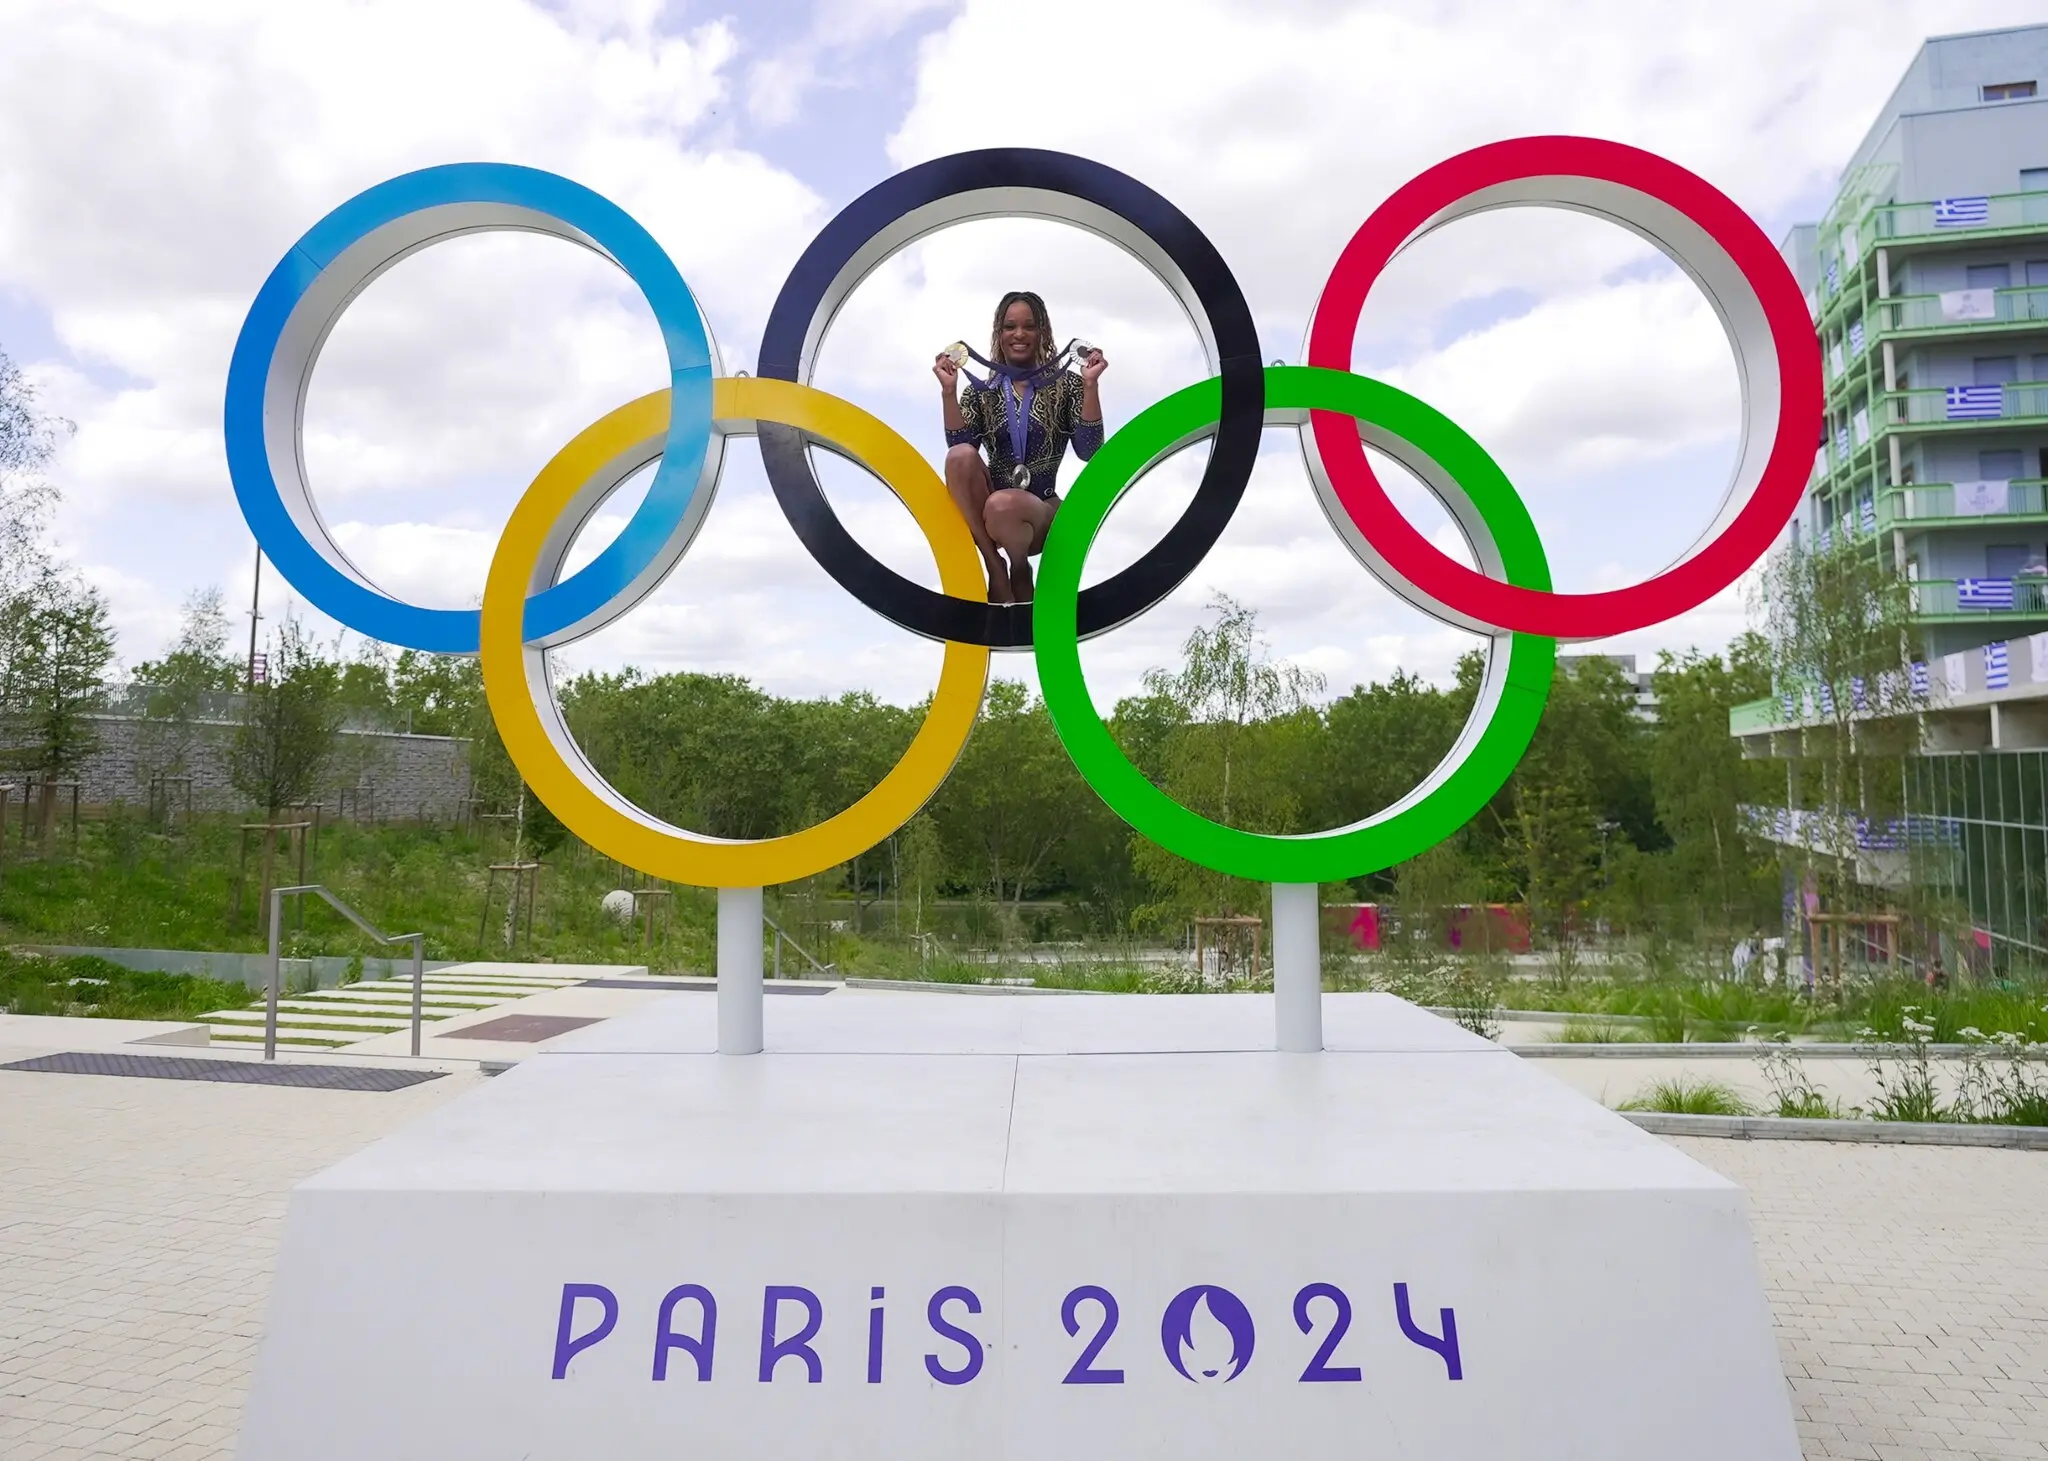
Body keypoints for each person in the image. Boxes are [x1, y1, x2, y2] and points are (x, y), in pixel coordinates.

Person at [934, 291, 1106, 603]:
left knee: (1004, 504)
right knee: (960, 458)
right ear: (998, 334)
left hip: (1043, 512)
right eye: (1010, 327)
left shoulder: (1068, 384)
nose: (1019, 334)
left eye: (1029, 326)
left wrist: (1091, 384)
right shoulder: (982, 392)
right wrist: (949, 392)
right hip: (991, 516)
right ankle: (995, 566)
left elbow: (1090, 449)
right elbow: (961, 453)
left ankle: (1020, 567)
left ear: (1043, 332)